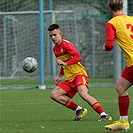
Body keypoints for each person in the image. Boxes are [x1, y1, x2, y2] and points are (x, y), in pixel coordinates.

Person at [48, 23, 112, 121]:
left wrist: (65, 63)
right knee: (54, 95)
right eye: (51, 36)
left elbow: (78, 57)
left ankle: (104, 115)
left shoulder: (67, 45)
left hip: (79, 74)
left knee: (83, 93)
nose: (53, 37)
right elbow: (62, 63)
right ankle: (79, 109)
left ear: (60, 34)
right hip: (70, 79)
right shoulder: (55, 49)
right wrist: (60, 76)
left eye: (55, 35)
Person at [103, 0, 133, 131]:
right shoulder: (131, 19)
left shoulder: (112, 23)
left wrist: (105, 47)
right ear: (122, 6)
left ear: (110, 8)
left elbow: (109, 45)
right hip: (131, 63)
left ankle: (124, 121)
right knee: (120, 87)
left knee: (120, 88)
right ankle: (123, 122)